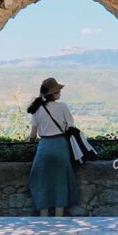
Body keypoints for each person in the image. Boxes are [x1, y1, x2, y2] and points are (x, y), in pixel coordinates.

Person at [27, 77, 79, 217]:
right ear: (53, 93)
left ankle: (43, 215)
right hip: (60, 145)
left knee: (41, 180)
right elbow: (71, 125)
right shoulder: (62, 107)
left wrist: (30, 140)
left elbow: (32, 134)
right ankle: (59, 216)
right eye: (58, 90)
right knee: (60, 180)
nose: (60, 93)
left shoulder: (37, 109)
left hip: (44, 147)